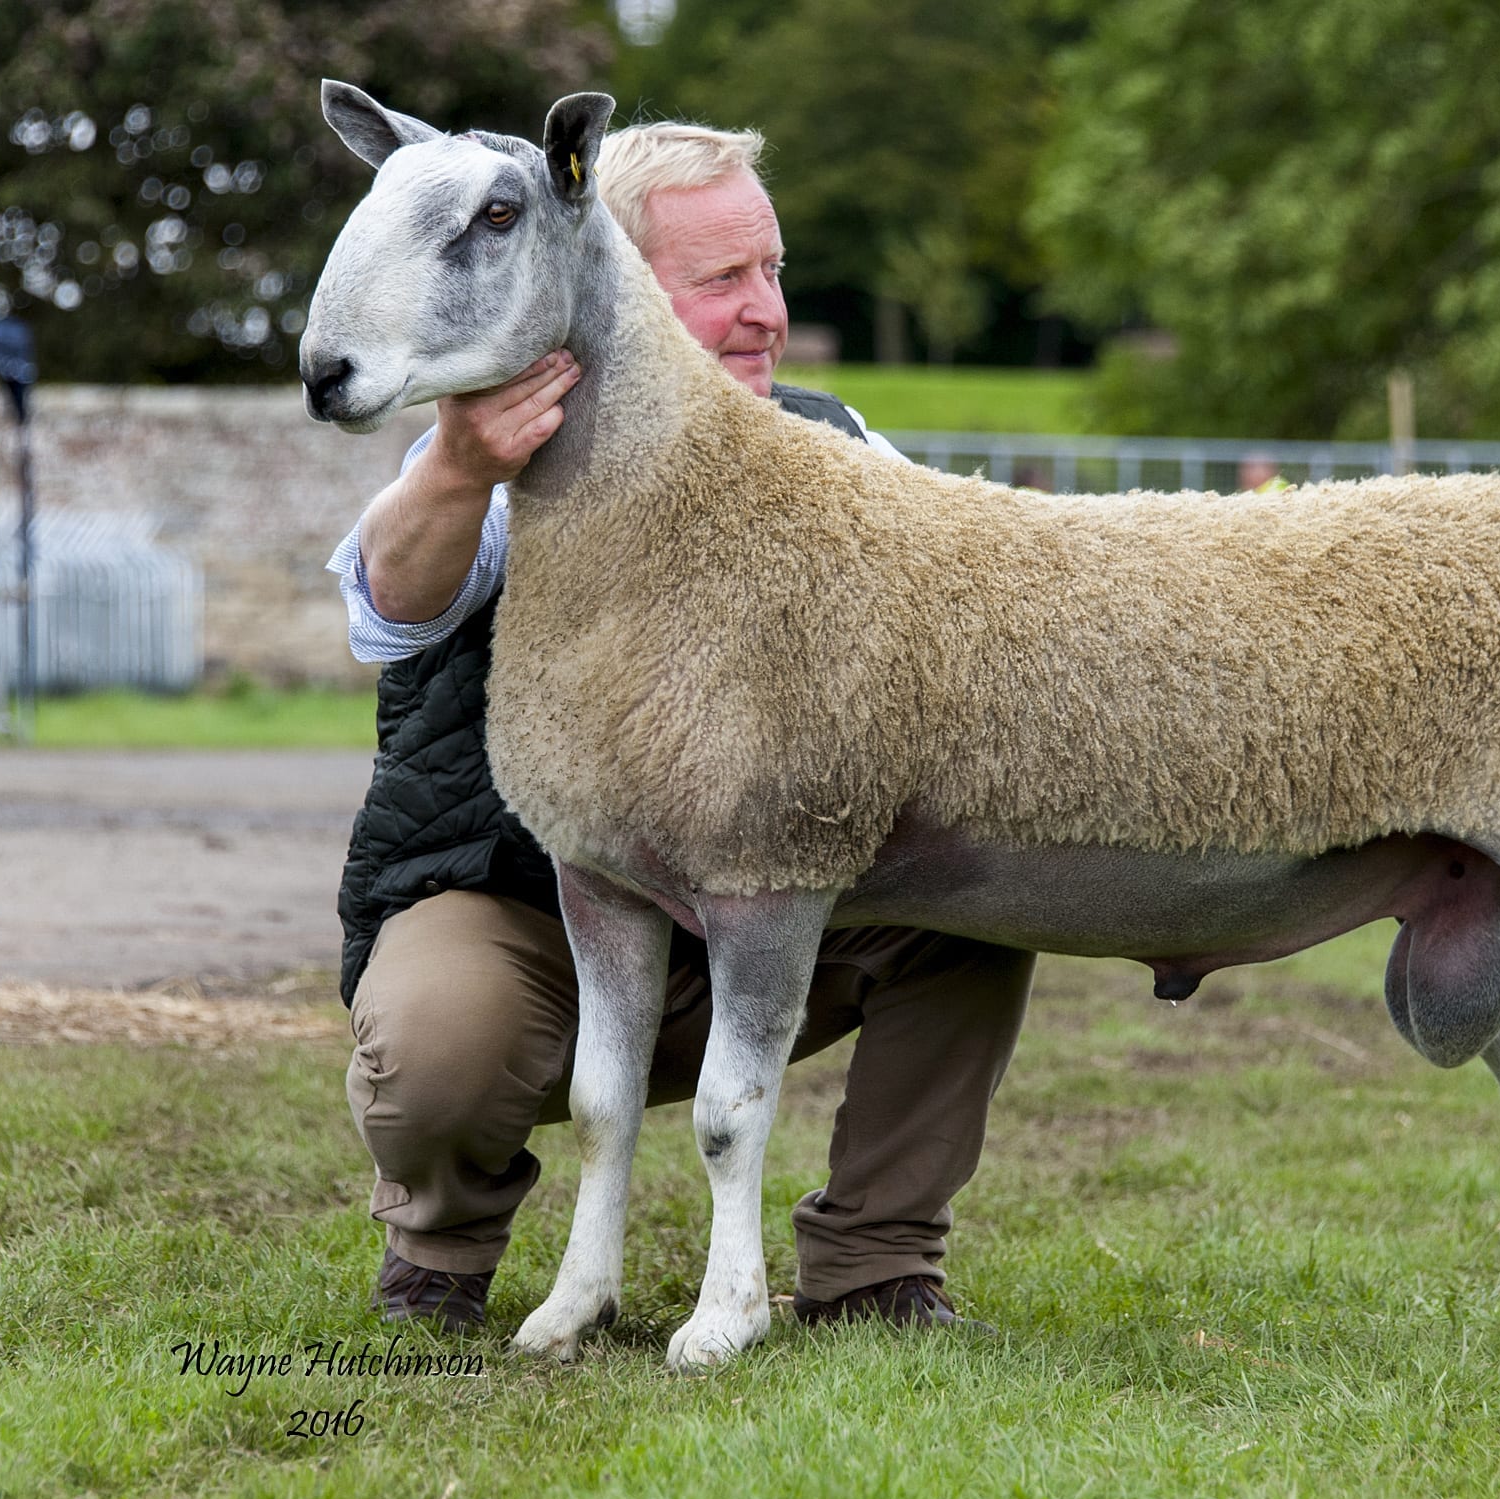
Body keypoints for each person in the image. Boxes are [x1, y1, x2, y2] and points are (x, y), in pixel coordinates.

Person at [326, 121, 1034, 1336]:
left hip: (784, 904)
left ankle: (872, 1263)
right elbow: (388, 608)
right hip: (533, 911)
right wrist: (454, 471)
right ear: (608, 275)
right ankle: (438, 1253)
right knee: (438, 1034)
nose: (766, 312)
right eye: (720, 280)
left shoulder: (836, 440)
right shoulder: (499, 444)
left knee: (982, 892)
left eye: (772, 271)